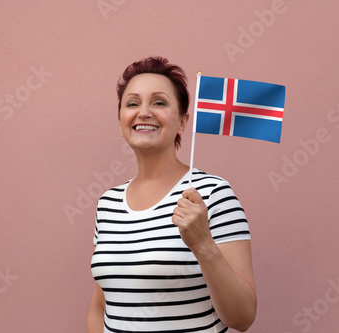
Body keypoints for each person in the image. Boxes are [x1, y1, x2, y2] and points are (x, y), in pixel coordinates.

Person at [87, 56, 257, 333]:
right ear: (121, 119)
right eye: (132, 103)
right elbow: (100, 308)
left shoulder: (213, 194)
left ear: (182, 121)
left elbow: (243, 318)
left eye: (159, 102)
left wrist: (203, 245)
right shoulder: (108, 203)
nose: (143, 112)